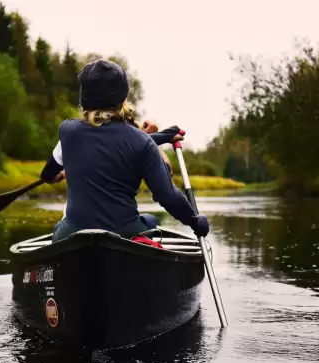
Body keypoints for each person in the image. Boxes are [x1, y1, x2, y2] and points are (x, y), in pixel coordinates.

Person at [39, 59, 209, 242]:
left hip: (72, 233)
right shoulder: (141, 143)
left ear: (84, 98)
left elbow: (48, 173)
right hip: (125, 234)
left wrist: (163, 136)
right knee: (150, 221)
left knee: (60, 228)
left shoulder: (68, 132)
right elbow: (167, 196)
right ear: (122, 98)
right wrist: (194, 221)